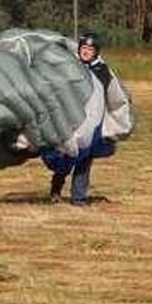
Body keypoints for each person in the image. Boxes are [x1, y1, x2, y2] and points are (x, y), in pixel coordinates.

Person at [47, 31, 121, 205]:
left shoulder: (103, 71)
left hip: (91, 122)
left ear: (96, 52)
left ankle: (78, 198)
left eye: (89, 49)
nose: (86, 51)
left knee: (85, 158)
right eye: (83, 48)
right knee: (66, 157)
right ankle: (56, 188)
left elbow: (113, 96)